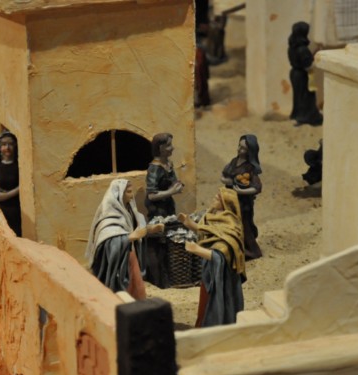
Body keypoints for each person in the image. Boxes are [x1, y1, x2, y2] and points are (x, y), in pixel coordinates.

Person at [86, 179, 164, 300]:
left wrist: (150, 229)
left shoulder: (129, 211)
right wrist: (131, 237)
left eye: (132, 191)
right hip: (119, 263)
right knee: (122, 293)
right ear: (119, 194)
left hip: (130, 257)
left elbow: (136, 228)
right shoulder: (108, 218)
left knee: (136, 289)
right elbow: (108, 241)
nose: (131, 195)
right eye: (128, 192)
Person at [178, 188, 245, 327]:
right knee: (205, 301)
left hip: (222, 276)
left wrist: (197, 249)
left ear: (225, 203)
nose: (214, 198)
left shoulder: (230, 223)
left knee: (216, 303)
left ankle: (215, 327)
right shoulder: (212, 216)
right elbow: (209, 233)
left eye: (218, 197)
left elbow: (222, 254)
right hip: (210, 271)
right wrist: (189, 224)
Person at [221, 134, 263, 260]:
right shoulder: (234, 161)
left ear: (250, 151)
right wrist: (227, 181)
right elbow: (224, 176)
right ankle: (235, 248)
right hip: (231, 200)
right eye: (239, 146)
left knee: (244, 226)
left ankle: (252, 251)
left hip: (243, 203)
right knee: (231, 224)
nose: (240, 150)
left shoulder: (250, 168)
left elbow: (257, 188)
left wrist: (241, 191)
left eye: (244, 148)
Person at [0, 130, 21, 236]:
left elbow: (23, 186)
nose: (7, 147)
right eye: (4, 144)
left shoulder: (19, 165)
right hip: (1, 206)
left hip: (15, 206)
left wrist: (7, 195)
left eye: (10, 144)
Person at [288, 21, 323, 126]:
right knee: (306, 97)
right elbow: (308, 65)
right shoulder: (303, 49)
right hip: (302, 75)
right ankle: (308, 117)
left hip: (294, 74)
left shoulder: (292, 47)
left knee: (299, 96)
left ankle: (299, 116)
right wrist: (316, 61)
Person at [144, 133, 184, 220]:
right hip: (157, 208)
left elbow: (172, 181)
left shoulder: (168, 164)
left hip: (168, 204)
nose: (172, 148)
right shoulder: (155, 168)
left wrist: (177, 185)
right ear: (161, 148)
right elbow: (151, 195)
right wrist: (171, 191)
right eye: (169, 145)